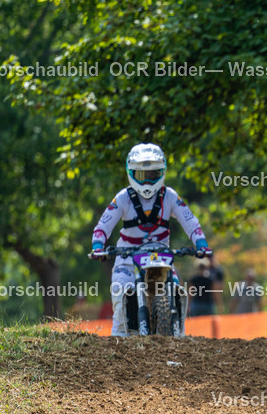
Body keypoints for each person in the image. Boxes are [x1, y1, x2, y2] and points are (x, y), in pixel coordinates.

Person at [89, 143, 210, 336]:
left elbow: (190, 221)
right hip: (127, 261)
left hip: (161, 259)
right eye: (141, 175)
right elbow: (102, 226)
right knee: (120, 299)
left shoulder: (170, 196)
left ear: (162, 172)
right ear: (131, 173)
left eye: (152, 175)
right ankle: (118, 344)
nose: (146, 181)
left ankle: (179, 340)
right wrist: (98, 246)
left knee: (177, 293)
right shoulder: (123, 198)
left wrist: (201, 243)